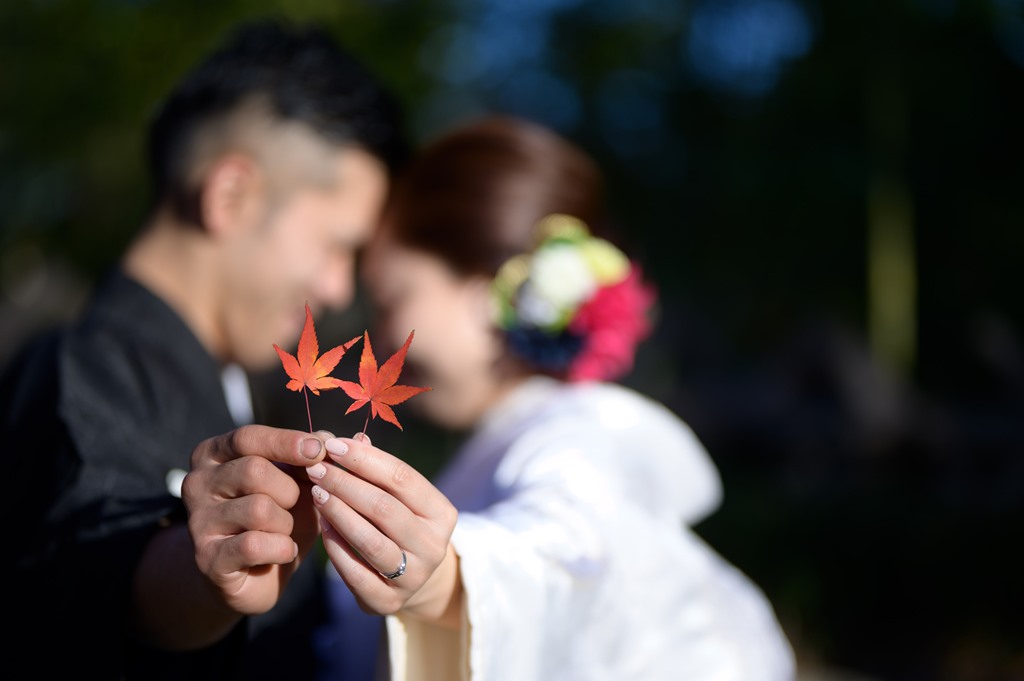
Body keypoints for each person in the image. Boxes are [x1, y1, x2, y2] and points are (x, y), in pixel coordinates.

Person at [1, 18, 455, 680]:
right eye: (338, 246)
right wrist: (204, 570)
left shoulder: (244, 387)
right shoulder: (84, 368)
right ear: (231, 195)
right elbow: (99, 555)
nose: (336, 287)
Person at [310, 115, 798, 680]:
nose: (384, 333)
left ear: (489, 291)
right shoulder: (513, 439)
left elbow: (568, 553)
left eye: (394, 298)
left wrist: (449, 582)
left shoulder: (584, 434)